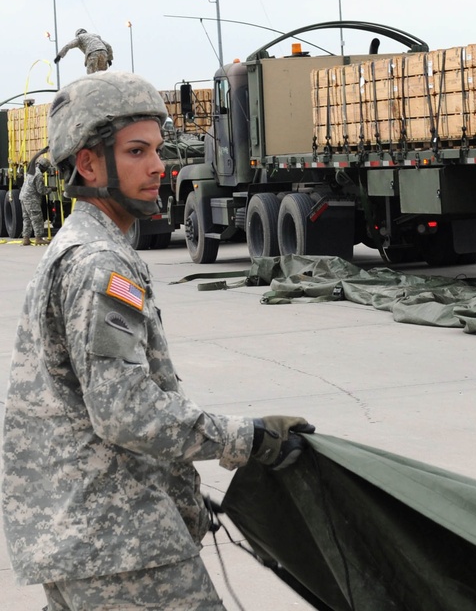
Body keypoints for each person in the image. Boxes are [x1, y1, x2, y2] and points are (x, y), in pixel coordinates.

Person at [1, 71, 315, 610]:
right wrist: (248, 436)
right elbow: (125, 412)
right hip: (120, 547)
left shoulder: (84, 248)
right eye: (137, 151)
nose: (158, 166)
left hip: (91, 536)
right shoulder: (99, 265)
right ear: (89, 163)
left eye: (158, 149)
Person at [19, 156, 51, 246]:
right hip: (31, 199)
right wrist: (50, 190)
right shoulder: (39, 174)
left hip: (23, 197)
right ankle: (38, 238)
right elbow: (41, 190)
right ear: (43, 167)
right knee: (37, 218)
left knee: (26, 219)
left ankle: (26, 239)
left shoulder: (31, 171)